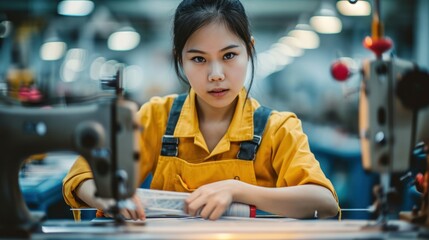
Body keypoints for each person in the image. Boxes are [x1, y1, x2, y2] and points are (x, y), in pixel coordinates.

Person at [63, 0, 339, 221]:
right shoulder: (156, 117)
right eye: (198, 59)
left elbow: (324, 202)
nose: (216, 74)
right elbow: (82, 177)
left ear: (249, 50)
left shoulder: (277, 129)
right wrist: (109, 198)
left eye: (229, 55)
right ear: (179, 59)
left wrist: (236, 189)